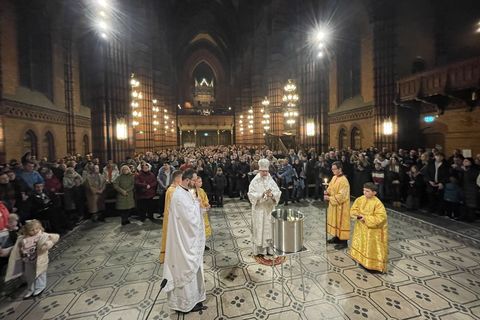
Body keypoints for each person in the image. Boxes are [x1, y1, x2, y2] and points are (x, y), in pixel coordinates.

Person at [163, 169, 206, 313]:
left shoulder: (186, 192)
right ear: (187, 180)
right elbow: (190, 220)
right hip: (183, 241)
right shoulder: (179, 196)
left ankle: (194, 300)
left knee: (193, 270)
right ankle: (185, 304)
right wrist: (197, 206)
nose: (196, 183)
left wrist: (197, 204)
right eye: (194, 180)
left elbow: (192, 209)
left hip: (188, 238)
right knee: (185, 269)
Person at [5, 220, 59, 298]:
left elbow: (53, 238)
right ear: (27, 230)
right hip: (27, 259)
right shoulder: (22, 238)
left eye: (37, 228)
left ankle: (40, 287)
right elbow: (16, 248)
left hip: (39, 259)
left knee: (40, 273)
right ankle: (31, 289)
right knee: (29, 275)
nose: (35, 231)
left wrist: (47, 245)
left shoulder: (43, 235)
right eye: (32, 230)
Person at [349, 182, 388, 273]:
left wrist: (366, 218)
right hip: (361, 228)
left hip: (372, 232)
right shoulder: (360, 199)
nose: (364, 193)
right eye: (364, 190)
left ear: (374, 193)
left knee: (370, 247)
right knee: (362, 244)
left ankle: (372, 265)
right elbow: (353, 210)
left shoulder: (378, 203)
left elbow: (381, 218)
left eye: (367, 191)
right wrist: (357, 215)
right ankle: (362, 260)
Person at [248, 158, 281, 256]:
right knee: (260, 228)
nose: (265, 173)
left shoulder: (270, 180)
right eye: (263, 171)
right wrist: (261, 195)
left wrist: (272, 195)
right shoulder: (254, 181)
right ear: (259, 170)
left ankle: (270, 249)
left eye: (267, 171)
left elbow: (278, 192)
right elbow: (251, 194)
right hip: (260, 209)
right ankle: (260, 250)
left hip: (269, 209)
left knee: (270, 228)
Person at [324, 161, 351, 250]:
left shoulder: (344, 180)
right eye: (332, 169)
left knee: (341, 223)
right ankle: (336, 238)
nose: (332, 171)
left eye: (334, 169)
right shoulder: (334, 177)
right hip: (334, 206)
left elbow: (342, 196)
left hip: (341, 207)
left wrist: (330, 198)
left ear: (340, 169)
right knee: (335, 221)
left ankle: (344, 242)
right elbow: (331, 188)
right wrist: (327, 191)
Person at [159, 170, 183, 264]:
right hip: (173, 219)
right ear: (177, 179)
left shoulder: (175, 189)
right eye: (182, 178)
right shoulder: (172, 190)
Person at [194, 177, 212, 250]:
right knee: (198, 229)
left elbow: (205, 199)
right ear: (194, 182)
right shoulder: (192, 191)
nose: (201, 183)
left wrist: (207, 204)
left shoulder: (202, 190)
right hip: (197, 213)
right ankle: (197, 245)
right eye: (199, 182)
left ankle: (203, 244)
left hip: (203, 213)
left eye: (201, 181)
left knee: (204, 229)